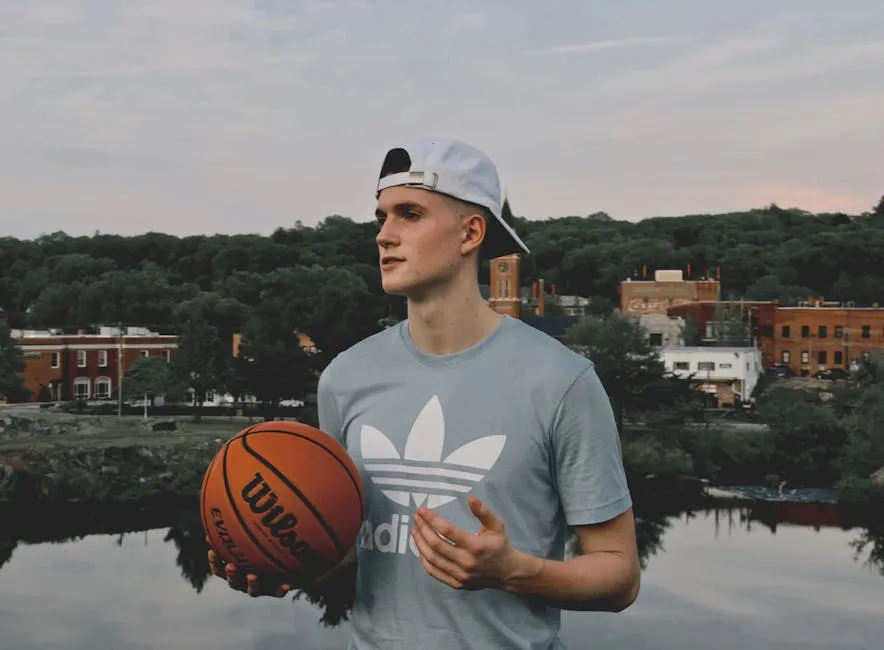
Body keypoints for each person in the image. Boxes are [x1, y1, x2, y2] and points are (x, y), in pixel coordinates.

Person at [209, 137, 640, 648]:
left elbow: (619, 576)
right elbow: (349, 541)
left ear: (470, 232)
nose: (384, 236)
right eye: (381, 218)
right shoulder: (345, 377)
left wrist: (512, 570)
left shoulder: (561, 381)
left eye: (410, 214)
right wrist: (283, 556)